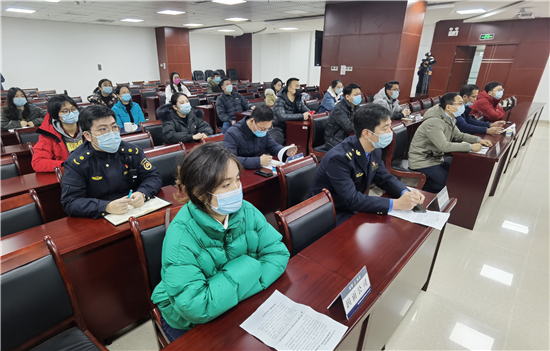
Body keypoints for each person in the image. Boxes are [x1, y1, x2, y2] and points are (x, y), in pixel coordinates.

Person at [151, 143, 290, 341]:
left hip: (235, 306)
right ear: (199, 193)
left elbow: (278, 254)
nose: (237, 189)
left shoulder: (246, 210)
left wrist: (229, 291)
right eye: (226, 185)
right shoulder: (180, 238)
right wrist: (252, 266)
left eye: (237, 180)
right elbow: (196, 307)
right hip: (188, 323)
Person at [309, 104, 424, 225]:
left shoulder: (374, 149)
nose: (390, 132)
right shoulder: (339, 158)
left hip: (351, 208)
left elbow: (384, 178)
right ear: (367, 133)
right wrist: (396, 204)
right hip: (330, 213)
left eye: (390, 127)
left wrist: (405, 193)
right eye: (385, 128)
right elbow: (352, 199)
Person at [60, 105, 162, 218]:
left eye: (114, 127)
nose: (111, 133)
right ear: (88, 136)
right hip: (100, 217)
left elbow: (153, 176)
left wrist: (143, 193)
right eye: (103, 129)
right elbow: (70, 202)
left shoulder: (131, 151)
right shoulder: (77, 162)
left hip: (135, 210)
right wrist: (106, 207)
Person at [409, 92, 493, 193]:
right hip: (422, 161)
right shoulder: (434, 122)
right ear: (449, 107)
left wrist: (478, 140)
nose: (463, 106)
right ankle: (415, 189)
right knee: (445, 183)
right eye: (460, 103)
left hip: (436, 158)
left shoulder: (449, 118)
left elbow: (459, 135)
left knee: (456, 175)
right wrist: (470, 147)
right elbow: (444, 146)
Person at [224, 104, 297, 169]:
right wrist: (258, 161)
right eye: (262, 129)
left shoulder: (262, 130)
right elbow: (231, 159)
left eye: (267, 129)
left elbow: (273, 146)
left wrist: (285, 151)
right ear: (252, 121)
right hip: (240, 173)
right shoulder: (232, 133)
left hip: (259, 170)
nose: (264, 131)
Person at [32, 95, 84, 172]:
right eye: (65, 111)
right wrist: (66, 165)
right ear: (56, 115)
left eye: (73, 109)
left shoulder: (89, 128)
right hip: (69, 174)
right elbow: (38, 163)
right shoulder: (48, 135)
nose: (71, 113)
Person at [272, 77, 310, 145]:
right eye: (297, 86)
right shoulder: (280, 100)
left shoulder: (298, 99)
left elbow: (306, 111)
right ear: (289, 88)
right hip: (280, 128)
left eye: (300, 86)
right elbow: (282, 117)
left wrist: (310, 114)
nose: (299, 88)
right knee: (278, 138)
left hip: (293, 126)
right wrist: (302, 116)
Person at [325, 83, 361, 150]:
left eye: (359, 94)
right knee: (355, 151)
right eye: (356, 95)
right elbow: (348, 127)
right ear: (347, 97)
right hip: (333, 139)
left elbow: (361, 120)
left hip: (347, 137)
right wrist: (363, 126)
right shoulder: (340, 108)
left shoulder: (356, 106)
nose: (359, 96)